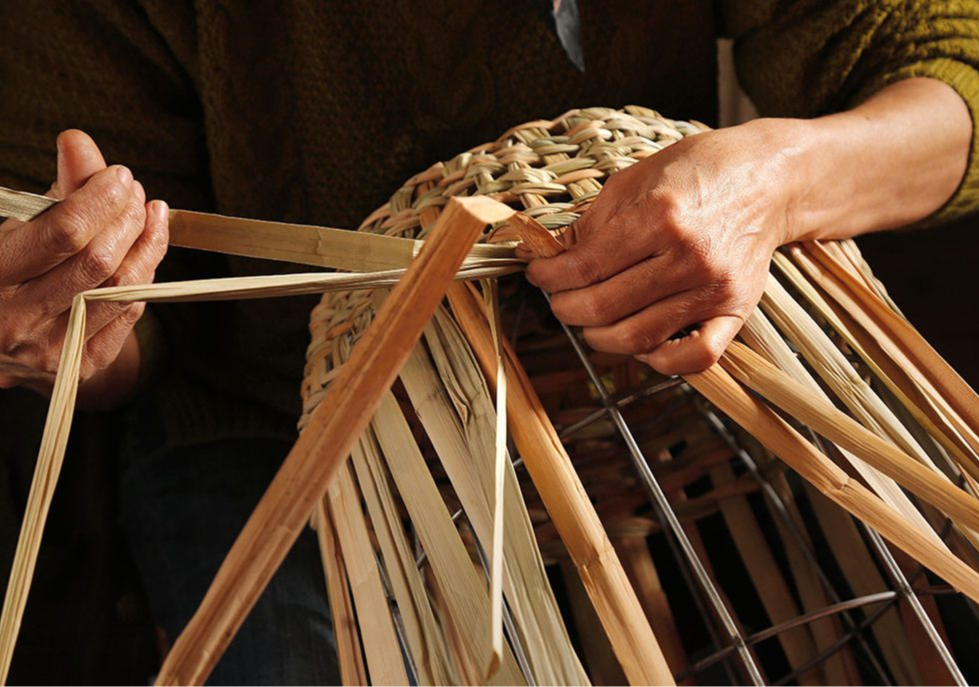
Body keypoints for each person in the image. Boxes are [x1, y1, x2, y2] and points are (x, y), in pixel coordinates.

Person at [0, 1, 976, 684]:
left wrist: (776, 178)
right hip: (282, 426)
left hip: (666, 378)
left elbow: (952, 77)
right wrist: (72, 331)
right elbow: (119, 313)